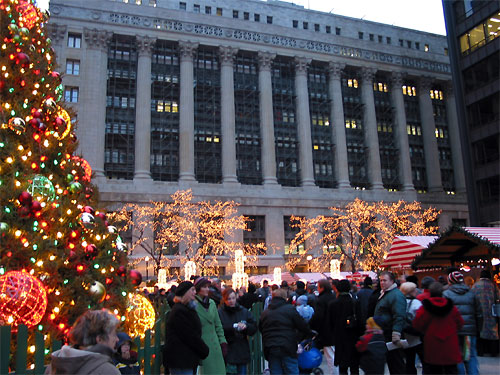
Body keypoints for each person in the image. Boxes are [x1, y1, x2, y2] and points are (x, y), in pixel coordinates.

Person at [45, 309, 121, 374]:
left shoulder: (53, 367)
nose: (117, 339)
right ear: (100, 339)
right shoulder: (107, 371)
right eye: (114, 334)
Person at [413, 282, 464, 374]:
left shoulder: (425, 308)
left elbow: (417, 325)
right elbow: (460, 323)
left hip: (432, 343)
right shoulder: (452, 307)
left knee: (434, 370)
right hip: (450, 342)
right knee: (451, 370)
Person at [259, 288, 313, 375]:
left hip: (271, 346)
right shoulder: (290, 309)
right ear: (285, 298)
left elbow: (261, 329)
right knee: (291, 370)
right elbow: (302, 325)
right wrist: (307, 334)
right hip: (288, 345)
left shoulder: (265, 313)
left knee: (275, 370)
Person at [163, 281, 209, 375]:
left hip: (186, 359)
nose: (195, 292)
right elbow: (189, 335)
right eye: (192, 290)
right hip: (180, 360)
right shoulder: (179, 311)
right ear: (185, 292)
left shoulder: (186, 309)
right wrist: (203, 350)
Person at [443, 271, 482, 375]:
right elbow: (479, 313)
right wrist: (478, 329)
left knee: (457, 356)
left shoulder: (446, 294)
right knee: (471, 356)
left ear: (450, 281)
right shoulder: (471, 293)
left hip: (454, 331)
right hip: (470, 331)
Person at [218, 287, 258, 375]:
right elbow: (219, 329)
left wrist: (246, 327)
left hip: (241, 348)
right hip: (227, 349)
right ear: (224, 300)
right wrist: (233, 327)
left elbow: (254, 327)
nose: (231, 301)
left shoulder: (243, 311)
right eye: (228, 299)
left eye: (233, 298)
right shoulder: (220, 313)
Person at [374, 271, 407, 375]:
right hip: (385, 332)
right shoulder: (386, 293)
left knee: (396, 363)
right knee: (392, 362)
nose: (382, 283)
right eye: (381, 280)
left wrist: (396, 332)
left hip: (390, 332)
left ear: (392, 281)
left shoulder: (395, 295)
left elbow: (399, 315)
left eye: (385, 280)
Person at [194, 277, 228, 375]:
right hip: (203, 347)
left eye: (208, 287)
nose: (207, 289)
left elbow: (218, 325)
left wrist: (222, 342)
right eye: (204, 287)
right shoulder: (193, 305)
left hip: (215, 346)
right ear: (198, 288)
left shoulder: (212, 303)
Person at [329, 279, 362, 375]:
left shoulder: (333, 304)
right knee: (354, 366)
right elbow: (360, 321)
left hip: (340, 338)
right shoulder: (355, 302)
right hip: (353, 337)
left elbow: (330, 323)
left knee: (342, 367)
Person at [309, 279, 337, 374]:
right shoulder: (334, 296)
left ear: (322, 287)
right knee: (334, 354)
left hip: (326, 331)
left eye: (318, 287)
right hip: (335, 329)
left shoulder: (321, 300)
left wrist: (311, 325)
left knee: (330, 356)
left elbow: (318, 316)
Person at [471, 270, 499, 356]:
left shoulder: (475, 286)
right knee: (493, 332)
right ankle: (493, 352)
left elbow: (472, 298)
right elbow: (498, 297)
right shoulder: (493, 286)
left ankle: (481, 352)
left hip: (479, 313)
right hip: (491, 312)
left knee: (480, 332)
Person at [400, 282, 423, 375]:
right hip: (416, 336)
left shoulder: (400, 302)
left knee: (409, 361)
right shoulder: (416, 303)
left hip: (405, 335)